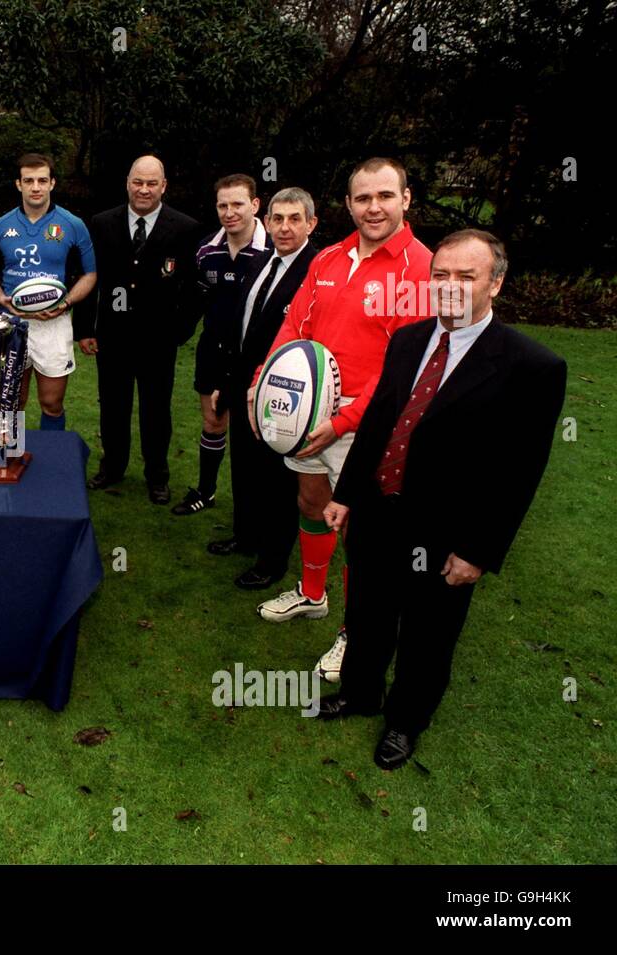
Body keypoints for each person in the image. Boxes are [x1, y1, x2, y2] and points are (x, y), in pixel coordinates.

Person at [316, 230, 567, 769]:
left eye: (466, 276)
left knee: (428, 638)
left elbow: (521, 472)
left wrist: (478, 550)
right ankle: (361, 694)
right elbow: (381, 421)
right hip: (379, 513)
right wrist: (347, 494)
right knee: (366, 614)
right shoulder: (408, 339)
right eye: (441, 274)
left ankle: (405, 723)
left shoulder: (532, 366)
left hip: (446, 533)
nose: (449, 286)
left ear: (496, 283)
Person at [248, 159, 432, 684]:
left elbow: (405, 363)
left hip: (369, 420)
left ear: (406, 199)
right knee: (308, 499)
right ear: (348, 204)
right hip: (309, 406)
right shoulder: (329, 256)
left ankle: (356, 631)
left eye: (384, 196)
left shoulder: (419, 268)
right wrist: (264, 383)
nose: (373, 207)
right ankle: (311, 594)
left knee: (355, 525)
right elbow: (293, 324)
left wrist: (347, 418)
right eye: (362, 198)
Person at [209, 187, 320, 589]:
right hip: (242, 385)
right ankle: (246, 535)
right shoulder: (258, 260)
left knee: (277, 477)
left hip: (283, 392)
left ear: (311, 223)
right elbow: (242, 330)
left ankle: (272, 561)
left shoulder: (317, 271)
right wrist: (227, 383)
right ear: (266, 221)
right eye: (277, 218)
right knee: (244, 467)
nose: (284, 227)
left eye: (294, 219)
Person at [77, 155, 201, 503]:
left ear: (163, 186)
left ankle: (157, 475)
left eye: (151, 183)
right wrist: (86, 328)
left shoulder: (186, 228)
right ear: (128, 182)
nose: (144, 190)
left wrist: (180, 331)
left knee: (156, 410)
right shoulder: (101, 223)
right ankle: (113, 466)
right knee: (113, 407)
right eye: (138, 182)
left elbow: (193, 288)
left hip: (158, 341)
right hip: (113, 338)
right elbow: (90, 279)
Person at [172, 174, 272, 516]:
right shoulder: (205, 251)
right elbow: (195, 300)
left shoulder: (273, 251)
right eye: (223, 205)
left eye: (238, 204)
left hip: (257, 357)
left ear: (255, 205)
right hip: (213, 350)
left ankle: (257, 506)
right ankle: (206, 491)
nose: (230, 212)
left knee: (256, 433)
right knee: (213, 422)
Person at [0, 152, 97, 430]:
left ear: (52, 183)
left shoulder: (72, 224)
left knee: (51, 403)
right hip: (12, 325)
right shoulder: (1, 226)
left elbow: (90, 274)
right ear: (18, 184)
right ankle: (9, 457)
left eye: (42, 180)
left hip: (53, 324)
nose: (36, 187)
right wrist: (2, 300)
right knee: (12, 400)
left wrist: (66, 303)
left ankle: (52, 464)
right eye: (28, 180)